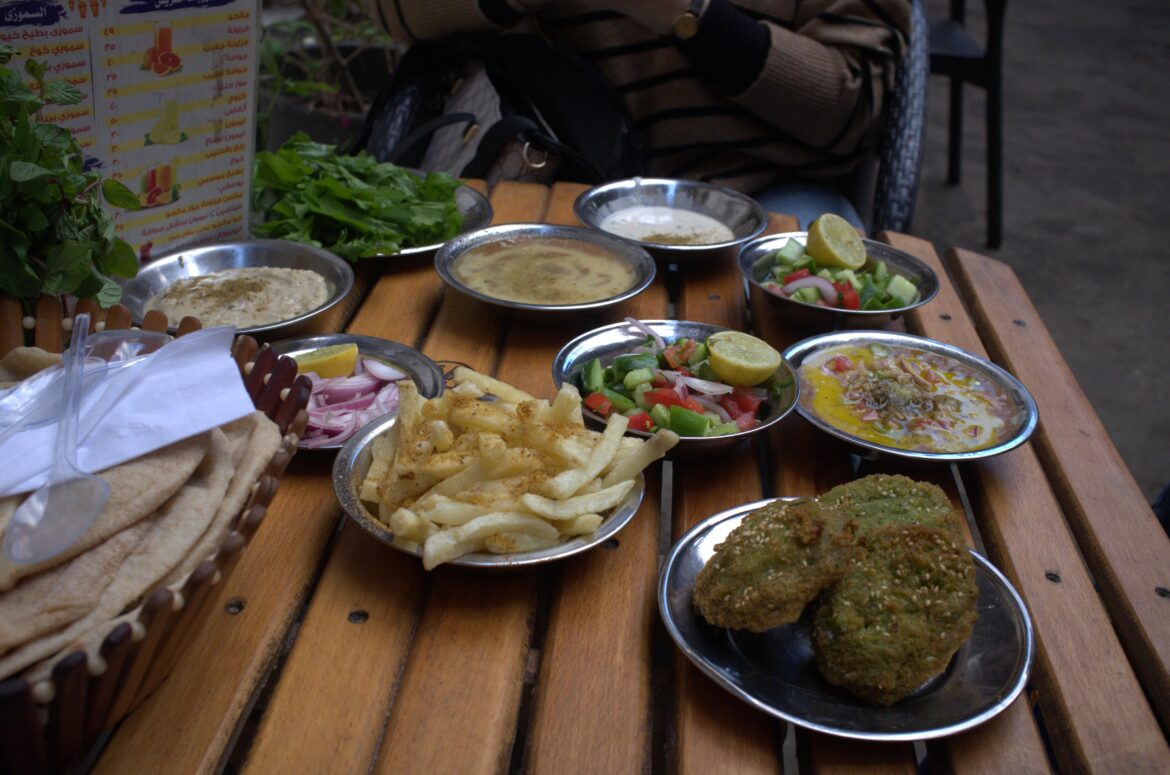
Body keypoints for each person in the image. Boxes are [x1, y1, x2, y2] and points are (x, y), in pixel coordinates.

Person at [369, 0, 911, 227]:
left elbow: (850, 111)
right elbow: (395, 14)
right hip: (559, 178)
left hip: (763, 189)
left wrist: (688, 15)